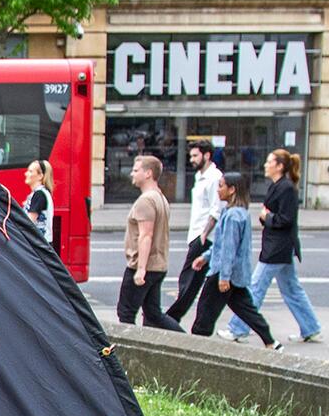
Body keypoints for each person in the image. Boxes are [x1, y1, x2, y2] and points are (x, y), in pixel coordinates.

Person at [228, 149, 322, 344]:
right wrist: (267, 217)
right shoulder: (277, 186)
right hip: (278, 246)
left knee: (256, 287)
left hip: (277, 247)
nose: (265, 165)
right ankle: (311, 328)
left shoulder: (286, 188)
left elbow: (286, 219)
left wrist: (266, 217)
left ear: (279, 166)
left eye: (269, 162)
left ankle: (238, 328)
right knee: (291, 288)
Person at [191, 173, 281, 349]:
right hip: (235, 274)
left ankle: (196, 348)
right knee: (246, 309)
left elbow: (228, 249)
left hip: (223, 274)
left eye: (221, 186)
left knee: (204, 314)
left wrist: (224, 277)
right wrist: (205, 257)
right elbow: (220, 245)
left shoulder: (233, 216)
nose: (218, 190)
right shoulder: (237, 213)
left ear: (232, 190)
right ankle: (271, 342)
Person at [115, 154, 183, 332]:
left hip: (143, 266)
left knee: (126, 313)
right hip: (158, 265)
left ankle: (125, 353)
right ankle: (187, 342)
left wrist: (140, 269)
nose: (132, 174)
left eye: (136, 170)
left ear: (148, 173)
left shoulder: (145, 201)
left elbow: (146, 235)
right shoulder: (160, 197)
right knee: (153, 314)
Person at [165, 140, 224, 322]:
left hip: (204, 236)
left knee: (189, 279)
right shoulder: (200, 176)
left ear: (207, 155)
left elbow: (216, 209)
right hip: (196, 234)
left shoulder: (214, 177)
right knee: (196, 280)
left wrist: (204, 235)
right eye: (191, 156)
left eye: (195, 155)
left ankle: (171, 318)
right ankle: (183, 319)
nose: (191, 159)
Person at [22, 159, 55, 244]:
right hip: (40, 242)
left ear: (40, 176)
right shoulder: (40, 193)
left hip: (39, 244)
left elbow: (29, 221)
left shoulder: (39, 194)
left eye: (30, 171)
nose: (26, 174)